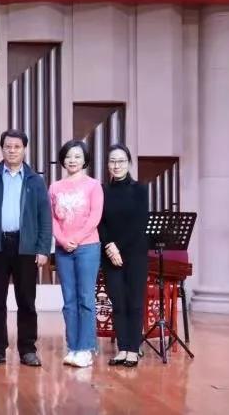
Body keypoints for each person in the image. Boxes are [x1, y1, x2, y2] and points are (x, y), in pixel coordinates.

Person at [0, 129, 52, 367]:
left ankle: (27, 349)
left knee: (26, 300)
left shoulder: (35, 181)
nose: (12, 150)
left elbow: (44, 217)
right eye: (8, 146)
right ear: (2, 149)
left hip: (26, 246)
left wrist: (43, 249)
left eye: (17, 147)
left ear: (24, 149)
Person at [48, 139, 104, 368]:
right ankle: (73, 347)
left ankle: (86, 348)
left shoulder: (93, 185)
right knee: (69, 301)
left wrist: (76, 239)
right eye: (69, 156)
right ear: (63, 160)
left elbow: (95, 217)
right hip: (63, 249)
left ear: (84, 160)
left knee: (86, 299)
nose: (72, 160)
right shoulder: (55, 187)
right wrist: (62, 240)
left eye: (77, 156)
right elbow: (51, 218)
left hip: (88, 247)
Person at [99, 144, 149, 368]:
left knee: (134, 302)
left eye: (121, 161)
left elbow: (139, 224)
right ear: (108, 165)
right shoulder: (102, 191)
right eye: (112, 161)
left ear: (129, 163)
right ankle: (123, 348)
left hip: (135, 253)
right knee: (117, 302)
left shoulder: (140, 190)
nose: (116, 165)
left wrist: (118, 248)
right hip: (110, 254)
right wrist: (110, 247)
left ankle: (133, 348)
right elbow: (100, 222)